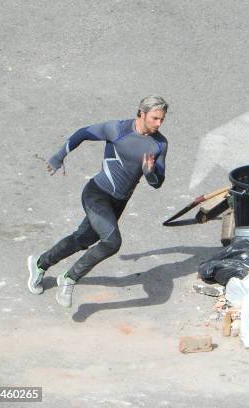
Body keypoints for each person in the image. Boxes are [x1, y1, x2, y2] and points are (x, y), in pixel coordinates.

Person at [27, 96, 169, 307]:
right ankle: (69, 278)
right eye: (155, 118)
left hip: (117, 202)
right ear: (141, 113)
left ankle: (39, 263)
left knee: (82, 239)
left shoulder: (160, 144)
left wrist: (149, 173)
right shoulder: (117, 129)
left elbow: (158, 182)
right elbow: (84, 133)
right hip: (96, 194)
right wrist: (59, 156)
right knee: (112, 242)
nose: (159, 124)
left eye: (162, 120)